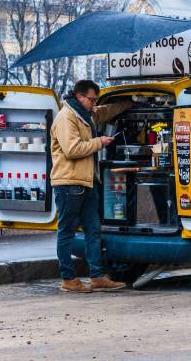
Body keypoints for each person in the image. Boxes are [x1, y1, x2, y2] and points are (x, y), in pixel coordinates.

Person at [51, 80, 132, 293]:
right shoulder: (66, 117)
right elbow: (72, 149)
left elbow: (105, 111)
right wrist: (100, 142)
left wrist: (129, 103)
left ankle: (97, 276)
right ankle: (68, 278)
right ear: (79, 97)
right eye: (91, 99)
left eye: (96, 100)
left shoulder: (87, 116)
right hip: (69, 183)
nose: (94, 104)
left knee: (93, 230)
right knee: (66, 231)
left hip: (87, 182)